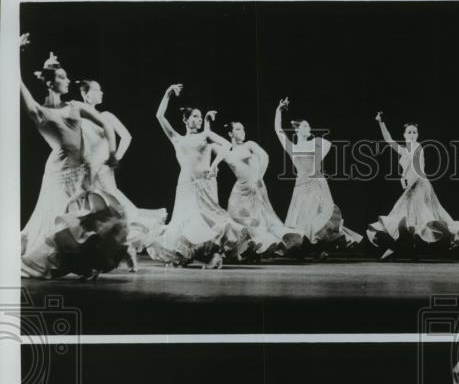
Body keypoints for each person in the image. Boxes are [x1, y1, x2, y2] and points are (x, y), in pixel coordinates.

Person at [19, 35, 129, 280]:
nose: (67, 80)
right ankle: (69, 262)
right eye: (62, 76)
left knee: (85, 219)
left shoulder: (76, 106)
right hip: (59, 172)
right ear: (49, 82)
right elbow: (18, 84)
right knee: (60, 220)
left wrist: (112, 153)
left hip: (81, 171)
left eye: (66, 76)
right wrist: (13, 52)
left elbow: (106, 125)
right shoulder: (40, 111)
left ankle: (85, 263)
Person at [146, 83, 252, 269]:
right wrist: (168, 93)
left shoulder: (206, 135)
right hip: (185, 185)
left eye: (201, 117)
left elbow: (226, 145)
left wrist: (214, 164)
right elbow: (159, 116)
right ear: (186, 120)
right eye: (195, 116)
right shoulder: (177, 139)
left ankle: (216, 254)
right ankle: (185, 255)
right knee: (186, 221)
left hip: (204, 183)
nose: (199, 119)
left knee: (207, 218)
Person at [76, 78, 167, 265]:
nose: (101, 93)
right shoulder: (79, 117)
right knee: (95, 213)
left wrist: (115, 157)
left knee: (112, 207)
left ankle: (127, 248)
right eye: (97, 89)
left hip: (103, 168)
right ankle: (110, 254)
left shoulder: (107, 116)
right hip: (87, 168)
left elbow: (127, 136)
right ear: (86, 94)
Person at [367, 112, 459, 260]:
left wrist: (407, 184)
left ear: (417, 134)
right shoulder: (405, 150)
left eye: (414, 132)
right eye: (409, 132)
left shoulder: (418, 148)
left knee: (417, 216)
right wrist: (381, 122)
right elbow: (388, 139)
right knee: (405, 216)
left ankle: (403, 249)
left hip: (419, 185)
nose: (412, 134)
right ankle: (404, 249)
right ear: (404, 135)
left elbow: (419, 172)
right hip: (411, 186)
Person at [273, 98, 361, 257]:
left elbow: (325, 147)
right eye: (305, 125)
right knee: (303, 216)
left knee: (320, 214)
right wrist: (279, 110)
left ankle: (321, 247)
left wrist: (316, 163)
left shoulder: (316, 142)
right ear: (297, 129)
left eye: (309, 125)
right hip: (301, 185)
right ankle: (304, 247)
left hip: (318, 183)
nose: (309, 128)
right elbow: (278, 130)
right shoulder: (292, 147)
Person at [212, 119, 303, 258]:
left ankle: (258, 248)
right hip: (239, 191)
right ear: (230, 133)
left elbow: (265, 156)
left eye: (242, 128)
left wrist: (259, 177)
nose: (242, 131)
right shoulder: (227, 152)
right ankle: (241, 250)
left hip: (255, 188)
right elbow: (210, 144)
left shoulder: (249, 144)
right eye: (237, 129)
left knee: (259, 219)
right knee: (237, 220)